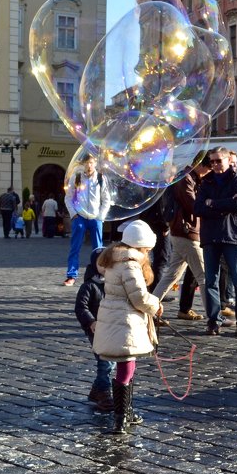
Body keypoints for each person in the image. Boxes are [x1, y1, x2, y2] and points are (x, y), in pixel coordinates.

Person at [92, 221, 161, 433]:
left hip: (114, 317)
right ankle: (121, 417)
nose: (148, 253)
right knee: (126, 366)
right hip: (125, 321)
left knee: (127, 365)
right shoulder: (130, 264)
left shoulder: (114, 259)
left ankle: (125, 412)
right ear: (140, 246)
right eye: (147, 249)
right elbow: (139, 297)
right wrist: (156, 305)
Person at [194, 147, 237, 337]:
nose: (216, 164)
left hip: (232, 235)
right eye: (212, 162)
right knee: (210, 280)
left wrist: (213, 203)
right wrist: (221, 205)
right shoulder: (206, 183)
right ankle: (213, 320)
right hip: (210, 236)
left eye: (219, 160)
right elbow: (198, 208)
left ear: (228, 160)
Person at [150, 162, 208, 322]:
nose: (209, 172)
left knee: (171, 275)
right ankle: (214, 316)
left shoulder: (191, 178)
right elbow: (194, 205)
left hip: (181, 232)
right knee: (203, 276)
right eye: (209, 167)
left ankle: (149, 309)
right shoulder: (186, 179)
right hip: (186, 232)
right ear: (201, 165)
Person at [74, 246, 116, 413]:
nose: (106, 266)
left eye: (109, 263)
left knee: (111, 362)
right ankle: (104, 393)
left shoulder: (114, 283)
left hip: (112, 328)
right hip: (96, 330)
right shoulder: (89, 286)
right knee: (104, 362)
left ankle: (95, 390)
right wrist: (91, 322)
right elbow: (80, 307)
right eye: (102, 263)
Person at [63, 155, 112, 286]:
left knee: (99, 249)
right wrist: (73, 214)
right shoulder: (77, 177)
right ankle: (71, 275)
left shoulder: (101, 178)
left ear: (95, 163)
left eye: (91, 163)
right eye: (86, 163)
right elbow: (68, 198)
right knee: (75, 247)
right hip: (80, 217)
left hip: (95, 217)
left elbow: (106, 199)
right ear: (83, 164)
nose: (89, 165)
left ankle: (99, 274)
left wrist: (100, 216)